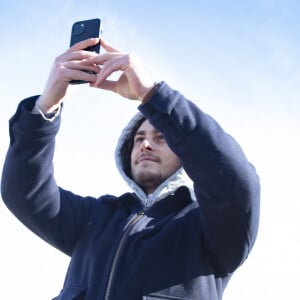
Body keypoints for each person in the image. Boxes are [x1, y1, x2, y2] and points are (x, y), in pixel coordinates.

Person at [1, 37, 260, 300]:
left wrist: (153, 96)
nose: (146, 144)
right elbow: (23, 191)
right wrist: (45, 107)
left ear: (183, 153)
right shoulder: (95, 219)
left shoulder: (208, 227)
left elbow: (236, 186)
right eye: (139, 139)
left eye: (161, 137)